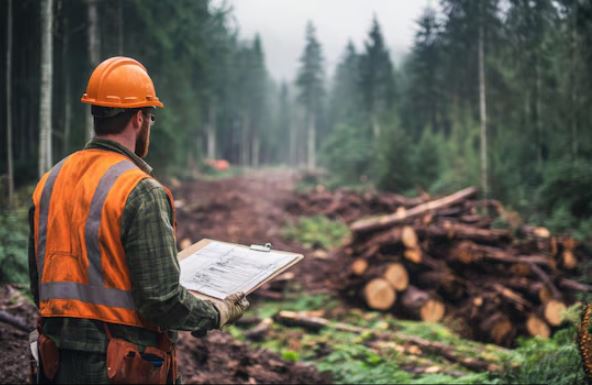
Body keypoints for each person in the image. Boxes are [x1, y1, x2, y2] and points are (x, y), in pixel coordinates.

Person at [27, 56, 249, 384]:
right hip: (118, 367)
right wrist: (216, 313)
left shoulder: (50, 181)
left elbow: (40, 286)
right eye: (150, 118)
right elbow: (161, 302)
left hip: (54, 362)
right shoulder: (139, 190)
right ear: (139, 119)